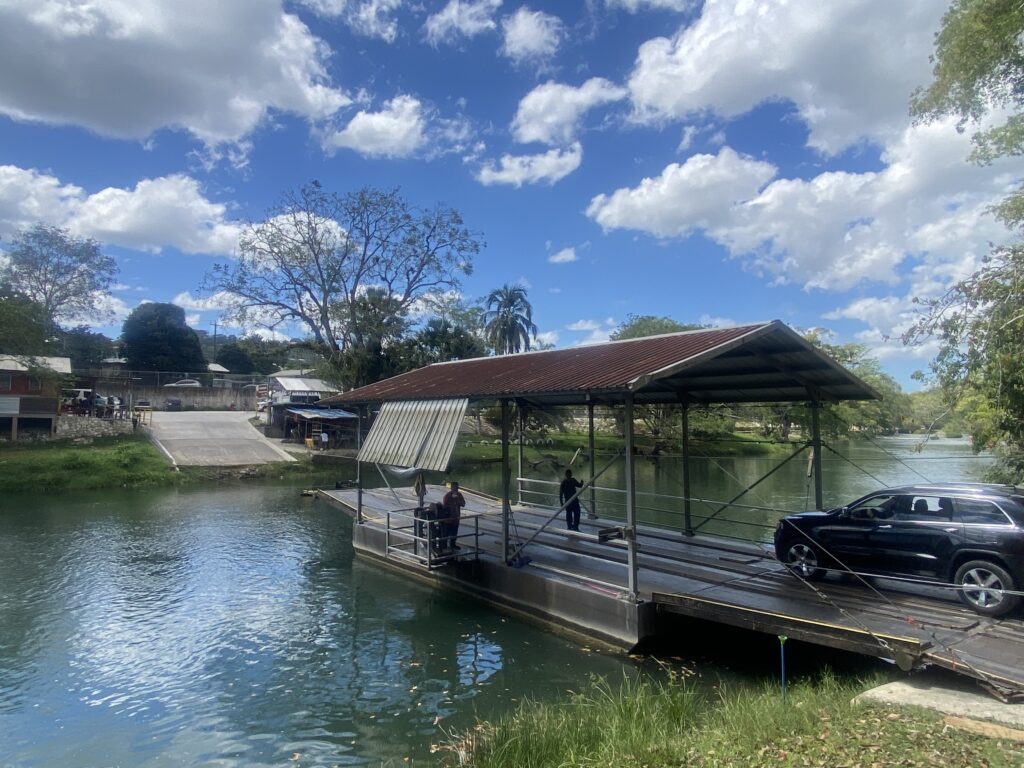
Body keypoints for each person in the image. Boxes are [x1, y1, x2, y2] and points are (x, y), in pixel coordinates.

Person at [441, 481, 466, 550]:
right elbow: (445, 507)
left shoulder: (459, 495)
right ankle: (444, 546)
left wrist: (458, 499)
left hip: (456, 517)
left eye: (457, 487)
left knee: (454, 532)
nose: (456, 489)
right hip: (448, 518)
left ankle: (453, 544)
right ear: (451, 488)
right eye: (455, 487)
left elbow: (463, 504)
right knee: (446, 533)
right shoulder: (447, 496)